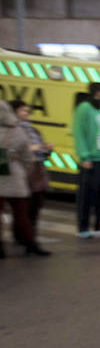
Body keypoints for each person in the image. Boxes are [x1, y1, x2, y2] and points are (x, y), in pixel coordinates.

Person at [1, 100, 46, 257]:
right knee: (21, 213)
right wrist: (24, 170)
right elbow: (27, 157)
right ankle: (30, 243)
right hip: (15, 176)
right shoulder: (17, 131)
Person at [9, 99, 53, 253]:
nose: (27, 113)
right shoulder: (12, 130)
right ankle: (24, 238)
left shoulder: (33, 130)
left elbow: (38, 149)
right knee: (22, 209)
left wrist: (46, 149)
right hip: (22, 173)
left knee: (35, 206)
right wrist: (35, 148)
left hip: (37, 171)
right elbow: (13, 151)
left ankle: (29, 237)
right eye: (23, 110)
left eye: (27, 110)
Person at [72, 82, 100, 238]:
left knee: (99, 195)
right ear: (98, 92)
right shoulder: (84, 108)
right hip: (90, 159)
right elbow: (79, 132)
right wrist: (84, 156)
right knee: (85, 195)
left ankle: (98, 226)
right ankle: (83, 228)